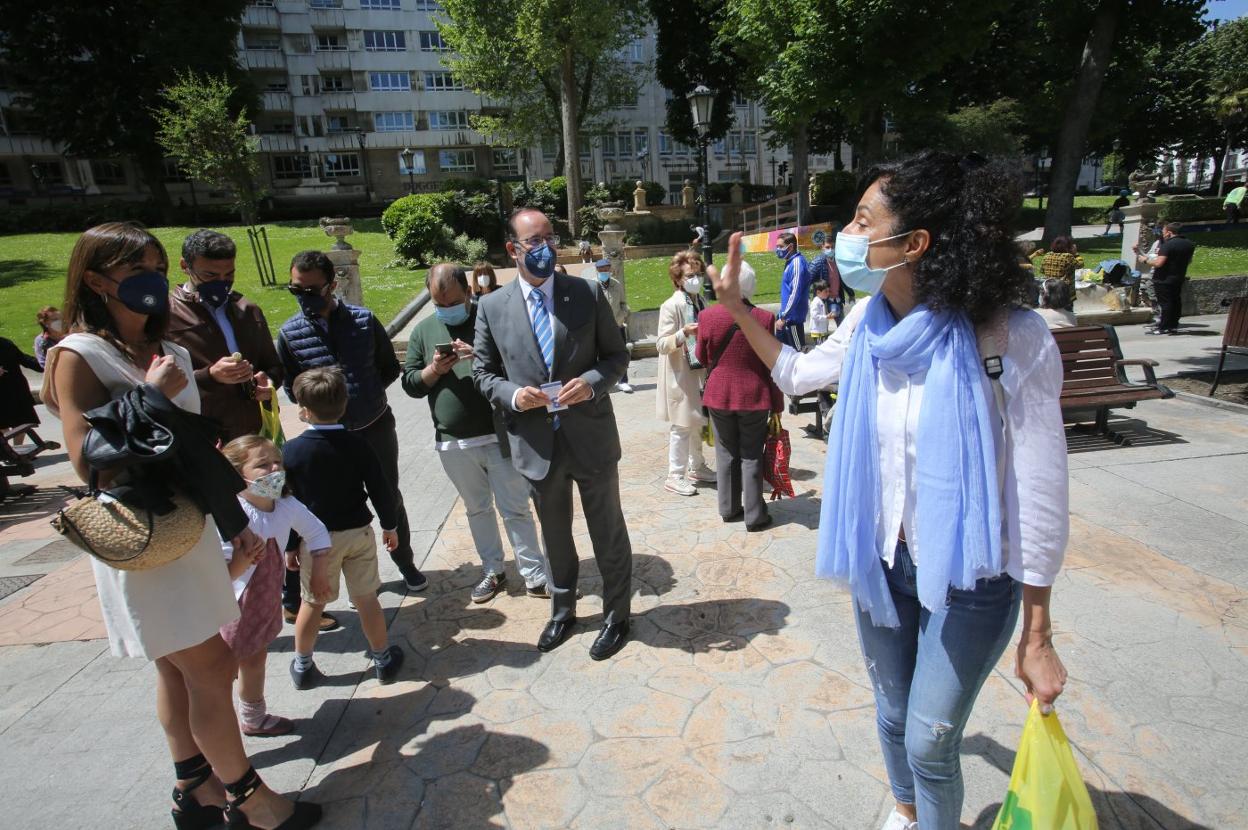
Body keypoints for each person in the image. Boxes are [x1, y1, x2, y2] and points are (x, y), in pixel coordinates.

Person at [710, 151, 1069, 830]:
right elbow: (795, 373)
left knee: (931, 740)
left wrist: (1039, 631)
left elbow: (1043, 489)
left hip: (971, 576)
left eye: (862, 219)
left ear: (914, 243)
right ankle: (907, 813)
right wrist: (733, 306)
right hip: (885, 562)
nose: (846, 231)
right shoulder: (869, 323)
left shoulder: (1009, 336)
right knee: (894, 713)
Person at [41, 221, 320, 830]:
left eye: (160, 269)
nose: (154, 281)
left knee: (177, 669)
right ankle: (251, 801)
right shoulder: (78, 355)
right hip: (147, 541)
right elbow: (88, 462)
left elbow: (192, 447)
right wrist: (152, 395)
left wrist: (232, 517)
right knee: (212, 669)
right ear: (95, 279)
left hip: (188, 528)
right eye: (137, 269)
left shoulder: (152, 347)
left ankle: (195, 792)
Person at [473, 208, 634, 661]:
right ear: (513, 249)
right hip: (536, 444)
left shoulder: (585, 292)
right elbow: (483, 373)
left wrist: (594, 383)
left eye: (549, 238)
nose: (544, 247)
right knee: (556, 536)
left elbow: (616, 356)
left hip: (591, 437)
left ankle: (617, 614)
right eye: (533, 241)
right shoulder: (491, 307)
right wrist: (512, 395)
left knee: (608, 531)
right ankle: (563, 611)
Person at [277, 250, 427, 593]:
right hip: (327, 439)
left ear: (331, 285)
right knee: (332, 504)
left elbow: (389, 368)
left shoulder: (363, 320)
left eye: (311, 290)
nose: (304, 298)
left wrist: (364, 397)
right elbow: (291, 385)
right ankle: (348, 575)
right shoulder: (290, 334)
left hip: (374, 427)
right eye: (296, 290)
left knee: (388, 495)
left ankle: (405, 562)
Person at [403, 264, 548, 603]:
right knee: (477, 509)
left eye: (452, 300)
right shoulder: (423, 330)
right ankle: (493, 570)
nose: (446, 308)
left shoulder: (490, 315)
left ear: (467, 293)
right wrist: (433, 370)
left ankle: (534, 572)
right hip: (454, 441)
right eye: (439, 302)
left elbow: (519, 361)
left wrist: (478, 355)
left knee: (515, 508)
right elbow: (410, 384)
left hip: (498, 432)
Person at [282, 367, 406, 688]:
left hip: (316, 542)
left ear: (304, 410)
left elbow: (287, 503)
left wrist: (290, 545)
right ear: (344, 405)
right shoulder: (359, 444)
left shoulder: (292, 452)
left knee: (312, 602)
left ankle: (303, 665)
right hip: (359, 534)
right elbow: (381, 488)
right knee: (367, 599)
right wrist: (390, 525)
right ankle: (382, 659)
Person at [219, 435, 332, 737]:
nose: (274, 469)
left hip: (264, 601)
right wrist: (240, 564)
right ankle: (215, 735)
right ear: (236, 473)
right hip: (229, 607)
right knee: (221, 672)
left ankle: (253, 718)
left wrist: (319, 569)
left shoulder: (285, 505)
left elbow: (317, 531)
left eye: (277, 462)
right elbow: (214, 575)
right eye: (262, 465)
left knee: (256, 659)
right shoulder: (229, 513)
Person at [167, 230, 283, 443]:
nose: (222, 282)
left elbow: (274, 366)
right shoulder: (166, 316)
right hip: (205, 437)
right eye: (211, 275)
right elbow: (155, 384)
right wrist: (210, 376)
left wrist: (269, 382)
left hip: (256, 432)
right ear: (185, 266)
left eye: (229, 275)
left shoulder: (248, 310)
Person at [696, 261, 783, 531]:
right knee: (751, 454)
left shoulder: (708, 317)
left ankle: (728, 507)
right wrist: (778, 405)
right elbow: (772, 364)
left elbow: (701, 356)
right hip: (754, 394)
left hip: (719, 393)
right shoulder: (764, 318)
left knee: (726, 452)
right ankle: (755, 515)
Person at [655, 250, 715, 497]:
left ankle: (697, 466)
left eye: (698, 274)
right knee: (682, 423)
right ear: (678, 279)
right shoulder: (671, 306)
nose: (696, 279)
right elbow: (661, 344)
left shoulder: (701, 301)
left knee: (696, 420)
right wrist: (683, 333)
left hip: (700, 368)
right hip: (680, 372)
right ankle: (675, 474)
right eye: (690, 275)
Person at [1136, 221, 1195, 335]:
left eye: (1163, 231)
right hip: (1178, 276)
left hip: (1163, 278)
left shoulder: (1167, 245)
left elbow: (1159, 263)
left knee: (1165, 303)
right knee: (1176, 302)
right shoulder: (1189, 244)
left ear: (1169, 232)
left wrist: (1145, 260)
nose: (1163, 234)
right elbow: (1188, 261)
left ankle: (1163, 327)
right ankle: (1173, 326)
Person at [588, 257, 633, 393]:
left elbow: (624, 304)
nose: (604, 272)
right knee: (598, 357)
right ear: (597, 270)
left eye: (606, 269)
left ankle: (623, 381)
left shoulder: (616, 284)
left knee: (621, 354)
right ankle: (602, 383)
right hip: (599, 328)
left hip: (617, 325)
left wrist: (622, 316)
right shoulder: (591, 285)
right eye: (601, 270)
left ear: (610, 270)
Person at [775, 232, 812, 350]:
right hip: (787, 317)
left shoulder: (797, 263)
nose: (778, 249)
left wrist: (784, 317)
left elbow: (795, 292)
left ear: (790, 247)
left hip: (792, 319)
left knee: (798, 352)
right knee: (786, 352)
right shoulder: (790, 262)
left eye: (780, 246)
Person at [809, 232, 854, 325]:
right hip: (823, 301)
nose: (830, 249)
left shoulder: (838, 261)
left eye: (832, 247)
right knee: (821, 329)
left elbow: (844, 279)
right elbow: (807, 280)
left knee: (842, 325)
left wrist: (851, 294)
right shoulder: (817, 262)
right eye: (827, 247)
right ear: (822, 247)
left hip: (837, 299)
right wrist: (806, 296)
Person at [1033, 235, 1083, 304]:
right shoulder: (1068, 256)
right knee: (1067, 311)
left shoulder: (1047, 255)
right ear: (1068, 246)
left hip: (1049, 289)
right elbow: (1080, 265)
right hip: (1064, 291)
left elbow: (1042, 270)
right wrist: (1076, 253)